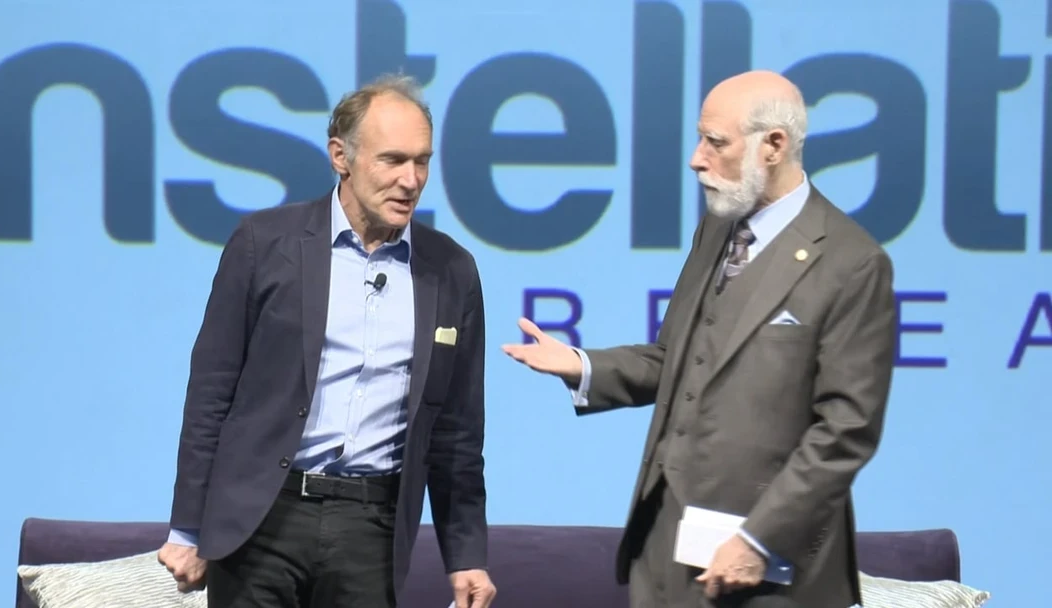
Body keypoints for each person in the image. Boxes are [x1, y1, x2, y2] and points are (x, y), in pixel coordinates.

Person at [502, 69, 896, 608]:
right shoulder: (718, 229)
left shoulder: (852, 263)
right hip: (668, 548)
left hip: (766, 568)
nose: (696, 158)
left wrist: (760, 539)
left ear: (773, 146)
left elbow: (846, 430)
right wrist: (582, 365)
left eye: (715, 142)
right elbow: (678, 360)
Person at [157, 74, 496, 608]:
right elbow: (211, 394)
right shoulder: (264, 243)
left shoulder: (451, 270)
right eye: (392, 160)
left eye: (422, 161)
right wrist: (189, 527)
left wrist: (466, 554)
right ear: (341, 156)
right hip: (261, 520)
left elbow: (457, 432)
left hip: (371, 530)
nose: (410, 180)